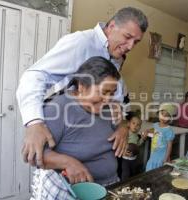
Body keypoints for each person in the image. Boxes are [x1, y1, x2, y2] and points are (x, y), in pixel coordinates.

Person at [16, 7, 148, 167]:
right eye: (128, 37)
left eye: (136, 42)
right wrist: (34, 122)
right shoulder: (81, 42)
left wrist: (122, 125)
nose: (130, 46)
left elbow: (116, 96)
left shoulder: (116, 53)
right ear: (112, 26)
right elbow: (36, 75)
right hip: (69, 131)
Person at [31, 56, 120, 200]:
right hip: (74, 193)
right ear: (82, 87)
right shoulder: (58, 109)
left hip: (110, 187)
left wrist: (123, 128)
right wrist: (69, 162)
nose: (108, 99)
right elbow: (35, 155)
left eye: (112, 93)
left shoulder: (107, 108)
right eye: (104, 92)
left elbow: (119, 122)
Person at [145, 104, 175, 171]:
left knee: (158, 171)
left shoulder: (169, 130)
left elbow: (169, 146)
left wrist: (166, 159)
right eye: (162, 114)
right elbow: (154, 129)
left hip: (162, 156)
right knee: (150, 170)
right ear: (159, 114)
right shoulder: (156, 125)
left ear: (170, 118)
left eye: (166, 115)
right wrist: (148, 130)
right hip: (153, 153)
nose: (163, 117)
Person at [121, 114, 146, 180]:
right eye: (133, 123)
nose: (135, 126)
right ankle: (123, 185)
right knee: (125, 174)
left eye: (138, 125)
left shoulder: (136, 135)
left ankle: (131, 185)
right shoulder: (127, 133)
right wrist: (123, 152)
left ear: (140, 127)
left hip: (134, 159)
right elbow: (122, 143)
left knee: (133, 173)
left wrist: (142, 138)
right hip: (125, 158)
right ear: (129, 124)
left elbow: (137, 145)